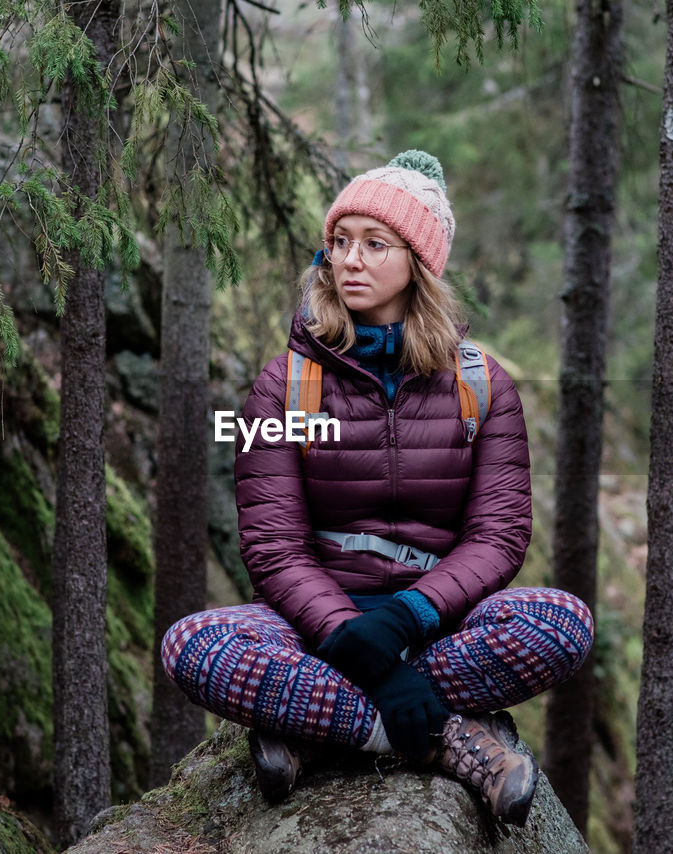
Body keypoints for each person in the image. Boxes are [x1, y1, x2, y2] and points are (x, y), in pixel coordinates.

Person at [161, 150, 594, 827]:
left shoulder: (483, 386)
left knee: (562, 623)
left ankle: (318, 727)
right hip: (315, 630)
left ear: (417, 263)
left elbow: (499, 536)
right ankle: (445, 739)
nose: (349, 260)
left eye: (373, 243)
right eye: (338, 242)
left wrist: (405, 618)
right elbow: (274, 548)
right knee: (193, 645)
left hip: (438, 627)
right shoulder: (284, 386)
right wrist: (352, 637)